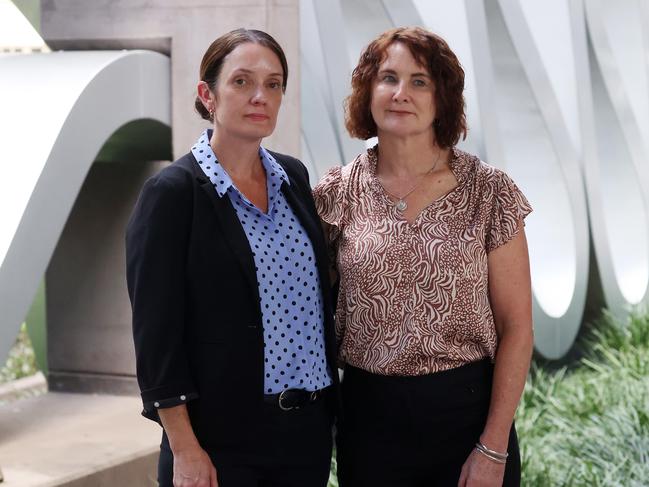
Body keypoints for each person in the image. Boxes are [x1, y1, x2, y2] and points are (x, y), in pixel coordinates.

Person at [313, 26, 533, 487]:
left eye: (419, 81)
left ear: (442, 97)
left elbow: (516, 327)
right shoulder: (335, 194)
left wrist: (492, 447)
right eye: (388, 78)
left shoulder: (489, 192)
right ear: (368, 91)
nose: (401, 94)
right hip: (369, 423)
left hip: (467, 417)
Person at [126, 28, 338, 487]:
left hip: (306, 437)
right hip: (218, 445)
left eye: (274, 83)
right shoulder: (172, 194)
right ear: (209, 95)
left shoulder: (294, 179)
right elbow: (155, 336)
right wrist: (184, 447)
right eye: (241, 81)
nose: (260, 95)